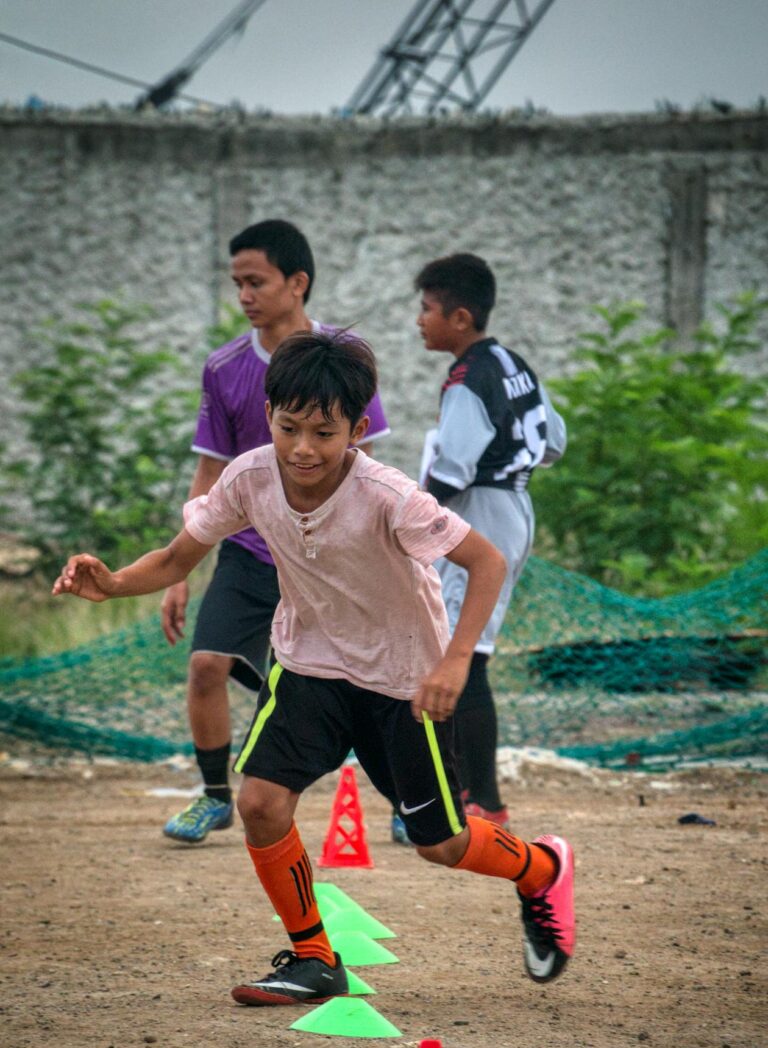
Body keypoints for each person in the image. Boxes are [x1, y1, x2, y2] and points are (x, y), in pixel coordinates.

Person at [52, 331, 576, 1002]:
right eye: (288, 426)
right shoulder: (249, 477)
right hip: (309, 666)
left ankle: (540, 868)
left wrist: (452, 664)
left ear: (357, 430)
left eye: (322, 433)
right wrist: (114, 581)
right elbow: (180, 557)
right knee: (260, 803)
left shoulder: (389, 496)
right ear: (268, 415)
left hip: (401, 682)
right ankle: (315, 958)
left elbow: (486, 562)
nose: (302, 448)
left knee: (440, 843)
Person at [160, 219, 390, 845]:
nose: (244, 296)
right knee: (207, 663)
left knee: (369, 683)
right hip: (248, 551)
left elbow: (373, 466)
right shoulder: (225, 367)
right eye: (237, 284)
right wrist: (179, 570)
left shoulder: (342, 355)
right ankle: (214, 795)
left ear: (297, 283)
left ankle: (406, 792)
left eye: (255, 281)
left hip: (329, 558)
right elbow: (210, 468)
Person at [388, 252, 566, 845]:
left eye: (427, 309)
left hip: (479, 513)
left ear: (459, 317)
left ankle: (480, 800)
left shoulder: (467, 379)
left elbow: (455, 467)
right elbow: (553, 440)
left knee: (465, 653)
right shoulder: (513, 364)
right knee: (462, 647)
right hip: (514, 505)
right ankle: (466, 791)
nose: (419, 321)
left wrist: (407, 518)